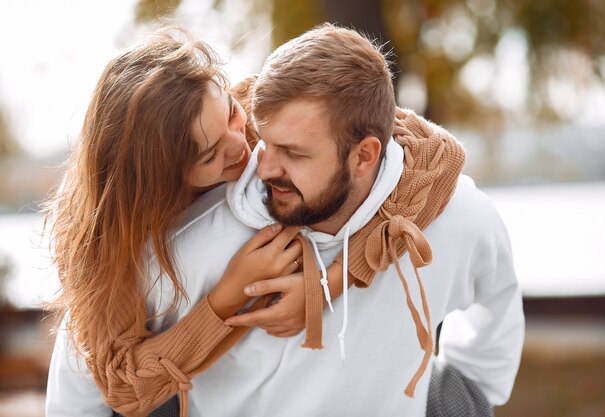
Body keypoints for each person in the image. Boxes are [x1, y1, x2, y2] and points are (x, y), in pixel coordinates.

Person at [46, 24, 524, 417]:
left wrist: (331, 282)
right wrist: (221, 304)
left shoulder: (457, 215)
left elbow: (428, 149)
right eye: (211, 154)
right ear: (165, 177)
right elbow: (97, 386)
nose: (250, 154)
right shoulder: (158, 252)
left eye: (236, 116)